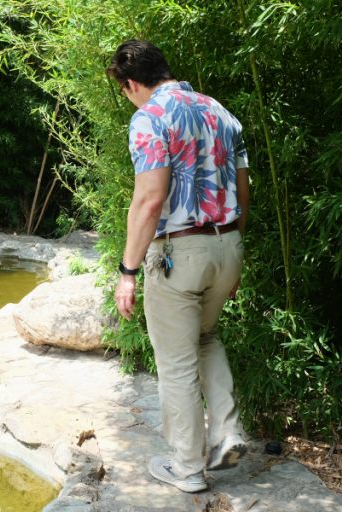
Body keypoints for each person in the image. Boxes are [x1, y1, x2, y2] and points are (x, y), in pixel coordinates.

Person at [107, 40, 250, 493]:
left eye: (126, 91)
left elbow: (150, 200)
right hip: (228, 245)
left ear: (132, 83)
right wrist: (232, 253)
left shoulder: (150, 116)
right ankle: (226, 432)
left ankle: (187, 468)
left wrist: (128, 271)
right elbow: (243, 192)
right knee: (206, 338)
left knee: (175, 362)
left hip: (178, 253)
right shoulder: (221, 112)